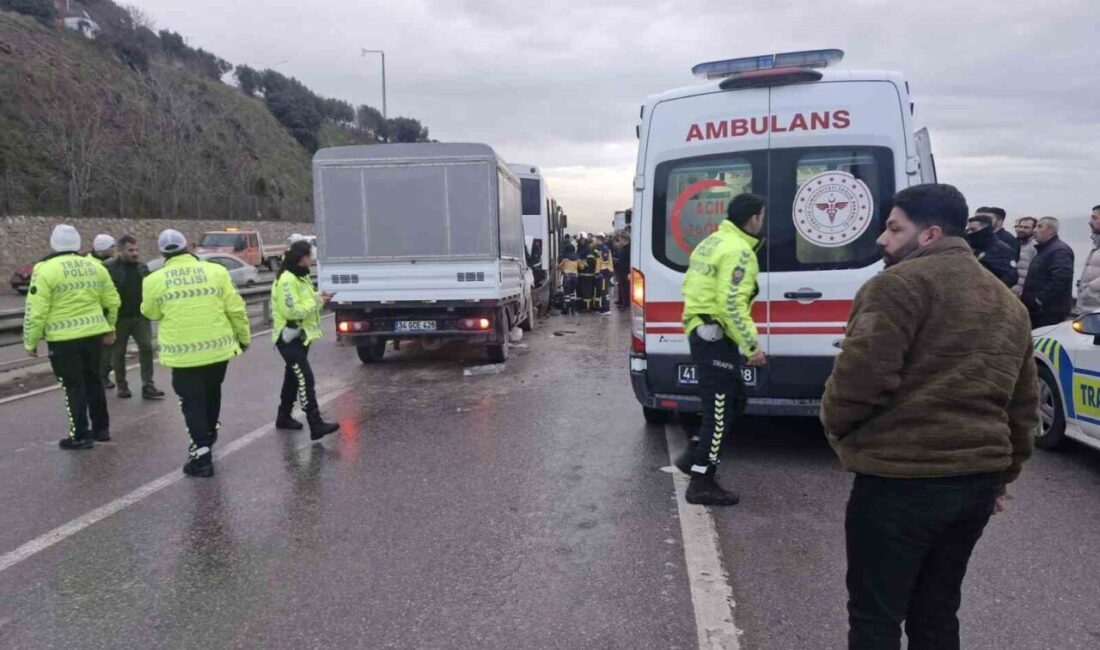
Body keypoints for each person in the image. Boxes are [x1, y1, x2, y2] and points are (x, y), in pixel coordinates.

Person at [820, 183, 1037, 650]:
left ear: (930, 234)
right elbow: (1022, 405)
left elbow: (860, 380)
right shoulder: (1008, 303)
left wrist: (838, 432)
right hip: (976, 483)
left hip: (901, 480)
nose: (882, 239)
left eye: (894, 228)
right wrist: (1004, 476)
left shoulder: (896, 286)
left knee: (875, 616)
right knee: (937, 612)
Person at [675, 193, 767, 506]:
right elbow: (731, 303)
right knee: (719, 410)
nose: (762, 222)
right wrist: (752, 346)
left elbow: (692, 286)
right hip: (715, 336)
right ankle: (701, 482)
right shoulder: (739, 250)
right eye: (762, 216)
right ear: (754, 218)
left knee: (735, 400)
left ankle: (694, 456)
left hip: (703, 330)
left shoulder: (711, 242)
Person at [141, 229, 251, 477]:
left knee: (192, 403)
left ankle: (202, 457)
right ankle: (209, 435)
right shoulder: (216, 271)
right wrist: (243, 339)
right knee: (212, 394)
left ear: (162, 252)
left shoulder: (153, 280)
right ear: (188, 247)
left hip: (183, 355)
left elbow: (151, 312)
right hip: (217, 350)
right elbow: (236, 309)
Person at [23, 225, 121, 449]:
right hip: (93, 335)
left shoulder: (45, 270)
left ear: (53, 243)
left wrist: (31, 341)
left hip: (63, 339)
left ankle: (80, 435)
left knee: (73, 386)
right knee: (94, 381)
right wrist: (110, 328)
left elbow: (36, 311)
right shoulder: (95, 267)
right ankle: (101, 429)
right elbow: (112, 301)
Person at [272, 240, 340, 440]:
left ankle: (284, 416)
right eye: (310, 255)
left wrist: (319, 296)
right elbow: (291, 311)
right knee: (305, 377)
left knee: (293, 377)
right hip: (288, 337)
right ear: (301, 258)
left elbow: (304, 301)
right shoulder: (287, 280)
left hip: (300, 336)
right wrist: (317, 301)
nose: (312, 259)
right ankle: (315, 423)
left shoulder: (301, 277)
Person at [104, 234, 164, 400]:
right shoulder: (109, 268)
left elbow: (150, 288)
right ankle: (122, 386)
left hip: (140, 316)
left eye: (136, 250)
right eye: (130, 250)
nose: (135, 253)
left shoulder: (142, 267)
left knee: (146, 347)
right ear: (120, 251)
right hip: (119, 318)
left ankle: (148, 385)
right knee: (119, 352)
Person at [1020, 217, 1074, 328]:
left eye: (1040, 226)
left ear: (1051, 231)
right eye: (1035, 226)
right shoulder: (1044, 250)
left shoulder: (1059, 251)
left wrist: (1039, 300)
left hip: (1048, 313)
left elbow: (1060, 279)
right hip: (1038, 311)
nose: (1034, 230)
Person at [91, 234, 118, 387]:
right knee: (105, 349)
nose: (114, 249)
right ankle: (102, 377)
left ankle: (101, 376)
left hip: (103, 312)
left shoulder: (99, 263)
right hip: (100, 314)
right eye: (112, 247)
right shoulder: (99, 267)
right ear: (104, 249)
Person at [964, 214, 1016, 287]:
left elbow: (1009, 277)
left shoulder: (1001, 250)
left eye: (973, 229)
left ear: (986, 230)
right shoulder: (977, 246)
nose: (969, 233)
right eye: (968, 230)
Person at [1075, 206, 1100, 314]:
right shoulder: (1097, 245)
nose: (1090, 222)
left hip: (1096, 312)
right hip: (1089, 311)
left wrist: (1090, 289)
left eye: (1094, 218)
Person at [1012, 217, 1038, 296]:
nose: (1021, 230)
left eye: (1026, 228)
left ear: (1034, 229)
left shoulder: (1036, 246)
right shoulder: (1016, 243)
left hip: (1025, 293)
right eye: (1020, 227)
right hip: (1013, 290)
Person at [614, 235, 631, 310]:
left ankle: (625, 304)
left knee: (625, 288)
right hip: (620, 270)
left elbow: (629, 260)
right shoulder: (622, 247)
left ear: (625, 239)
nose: (620, 241)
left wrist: (629, 272)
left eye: (621, 239)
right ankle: (621, 301)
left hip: (626, 271)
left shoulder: (629, 248)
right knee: (620, 286)